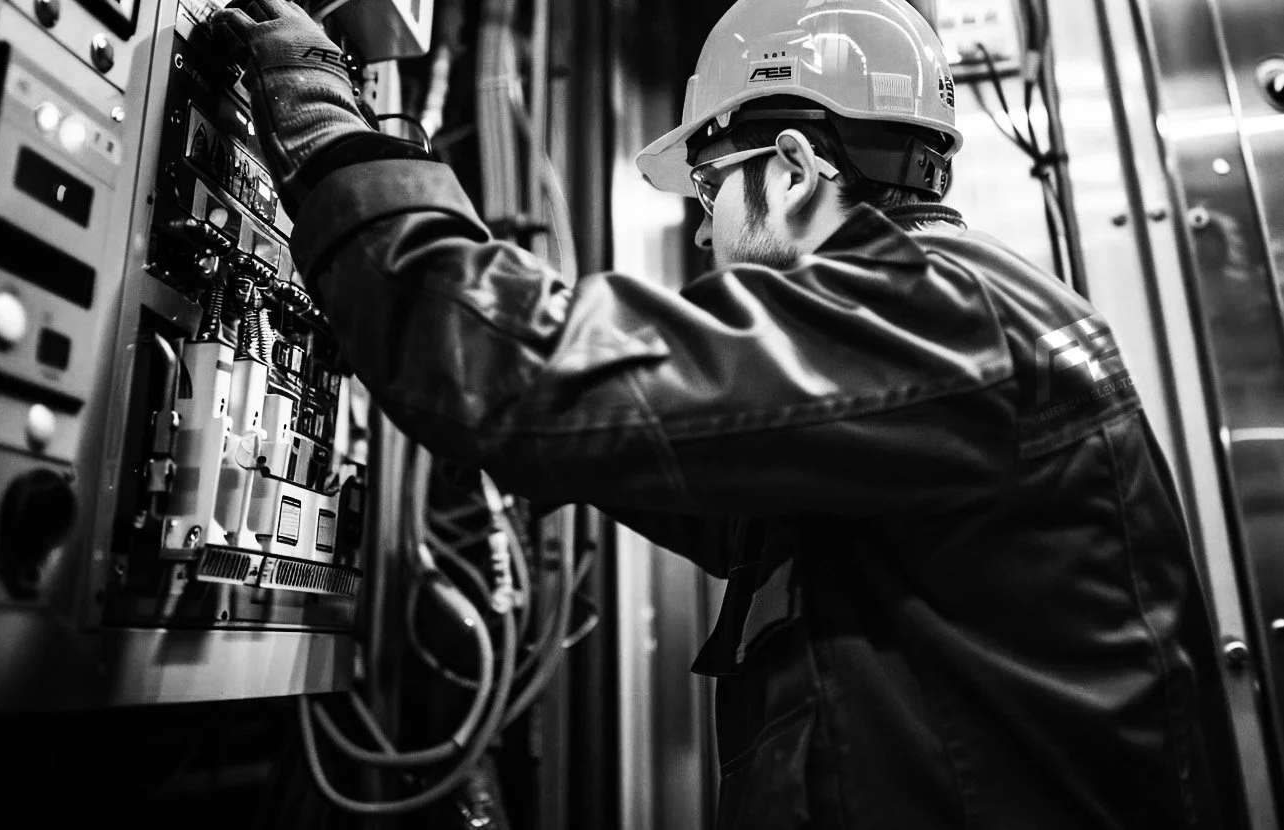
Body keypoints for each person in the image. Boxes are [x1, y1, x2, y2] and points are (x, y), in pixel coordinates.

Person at [211, 0, 1244, 827]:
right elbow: (616, 430)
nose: (702, 232)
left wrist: (322, 121)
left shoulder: (937, 317)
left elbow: (536, 377)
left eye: (707, 189)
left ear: (793, 166)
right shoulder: (944, 323)